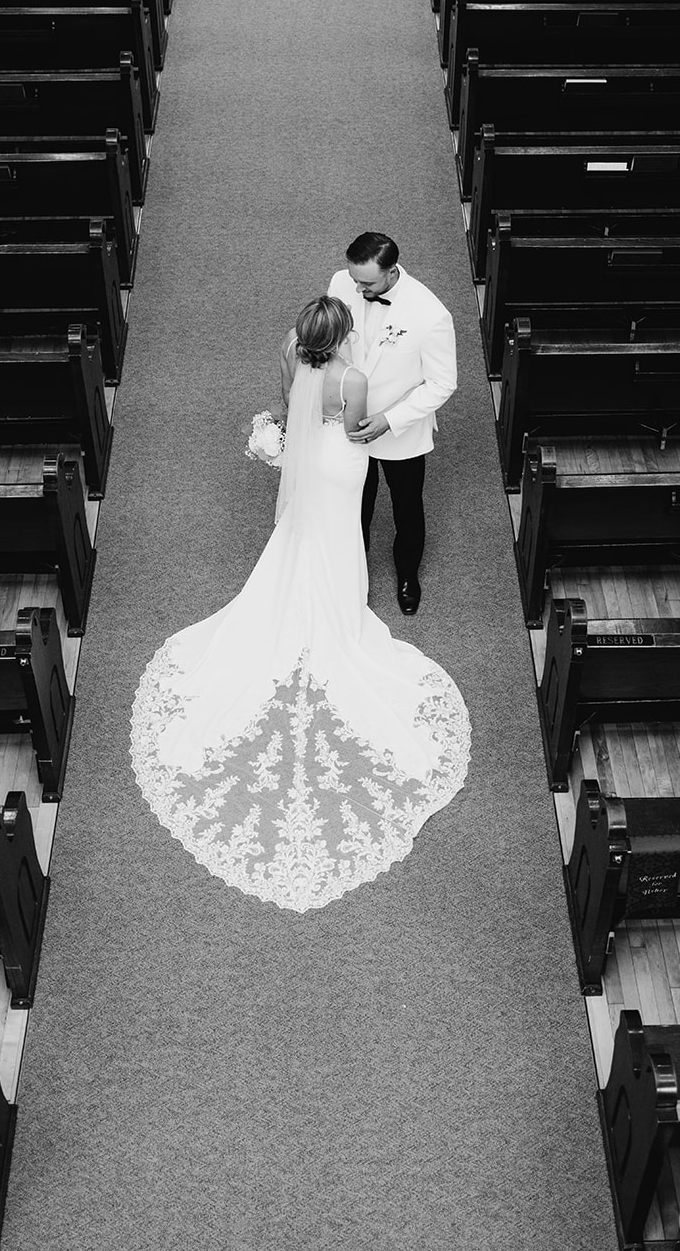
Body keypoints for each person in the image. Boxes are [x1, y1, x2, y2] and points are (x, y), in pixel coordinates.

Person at [130, 294, 469, 913]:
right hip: (343, 462)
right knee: (340, 535)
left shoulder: (290, 352)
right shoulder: (355, 377)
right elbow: (355, 427)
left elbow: (293, 409)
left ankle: (304, 605)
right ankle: (340, 611)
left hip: (308, 458)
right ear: (341, 335)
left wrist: (275, 437)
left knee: (303, 534)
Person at [327, 232, 457, 616]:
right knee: (354, 506)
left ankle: (407, 575)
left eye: (366, 283)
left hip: (400, 432)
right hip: (349, 426)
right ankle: (353, 577)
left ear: (391, 272)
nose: (357, 288)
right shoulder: (341, 283)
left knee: (407, 508)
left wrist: (390, 419)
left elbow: (442, 383)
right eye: (354, 280)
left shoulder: (430, 314)